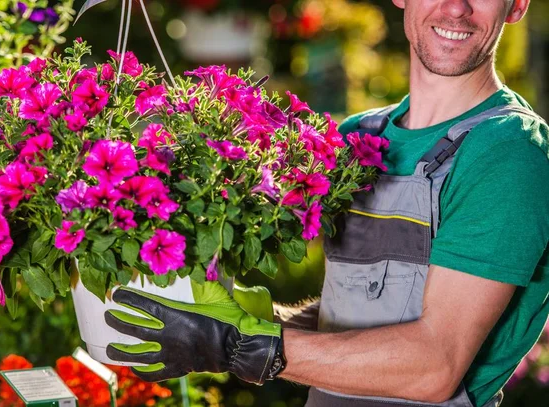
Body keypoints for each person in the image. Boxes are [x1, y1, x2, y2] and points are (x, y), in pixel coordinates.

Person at [103, 0, 549, 406]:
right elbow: (356, 316)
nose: (456, 8)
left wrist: (239, 347)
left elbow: (434, 367)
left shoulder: (508, 152)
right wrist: (243, 320)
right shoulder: (363, 138)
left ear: (517, 5)